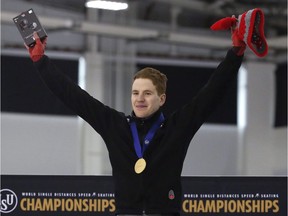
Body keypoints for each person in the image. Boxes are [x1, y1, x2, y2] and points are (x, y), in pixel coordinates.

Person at [25, 22, 245, 216]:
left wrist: (235, 54)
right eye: (135, 93)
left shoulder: (176, 128)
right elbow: (73, 96)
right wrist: (40, 61)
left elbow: (211, 94)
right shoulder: (115, 126)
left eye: (147, 93)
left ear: (162, 98)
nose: (139, 99)